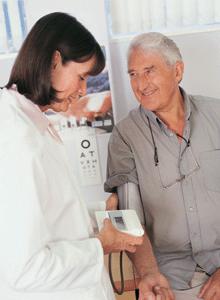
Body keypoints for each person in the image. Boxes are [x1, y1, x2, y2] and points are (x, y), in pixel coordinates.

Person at [0, 12, 143, 300]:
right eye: (81, 77)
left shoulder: (32, 123)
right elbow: (25, 269)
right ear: (53, 61)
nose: (83, 90)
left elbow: (47, 216)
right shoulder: (16, 138)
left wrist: (94, 213)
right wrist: (100, 246)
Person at [104, 32, 220, 300]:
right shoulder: (125, 136)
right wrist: (148, 273)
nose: (140, 83)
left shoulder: (217, 115)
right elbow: (130, 215)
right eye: (133, 74)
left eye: (149, 71)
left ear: (177, 71)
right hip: (170, 277)